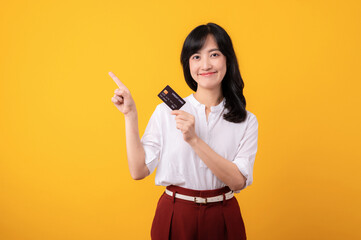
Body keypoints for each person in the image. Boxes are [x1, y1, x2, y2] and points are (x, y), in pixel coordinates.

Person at [110, 22, 259, 240]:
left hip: (223, 216)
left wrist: (194, 139)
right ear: (188, 64)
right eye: (196, 57)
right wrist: (130, 115)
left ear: (228, 59)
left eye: (214, 54)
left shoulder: (247, 120)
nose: (205, 64)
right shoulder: (166, 112)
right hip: (175, 214)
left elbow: (238, 182)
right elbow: (138, 171)